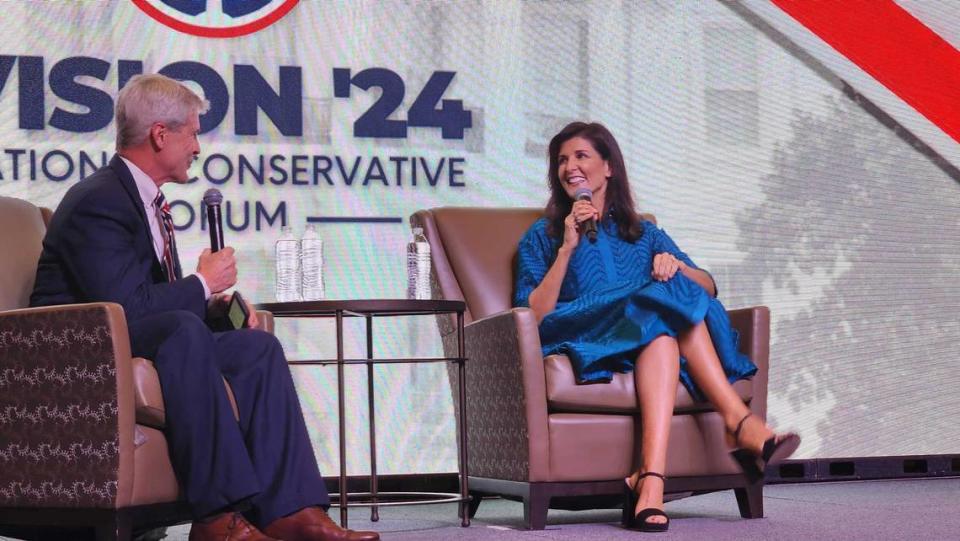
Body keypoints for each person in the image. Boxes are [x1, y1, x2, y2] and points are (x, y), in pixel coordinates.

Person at [30, 74, 379, 541]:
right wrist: (200, 282)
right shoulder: (99, 201)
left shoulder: (144, 201)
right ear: (160, 134)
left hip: (137, 339)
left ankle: (290, 511)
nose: (198, 146)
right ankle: (218, 517)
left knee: (256, 349)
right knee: (181, 329)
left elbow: (148, 306)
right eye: (193, 132)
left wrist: (216, 307)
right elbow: (127, 311)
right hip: (76, 353)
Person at [513, 122, 800, 532]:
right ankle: (738, 422)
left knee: (665, 325)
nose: (569, 167)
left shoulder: (643, 232)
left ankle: (649, 483)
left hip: (638, 337)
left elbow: (707, 285)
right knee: (664, 305)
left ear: (608, 167)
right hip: (588, 336)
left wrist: (675, 264)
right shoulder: (544, 235)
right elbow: (532, 315)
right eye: (561, 160)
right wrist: (568, 247)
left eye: (580, 156)